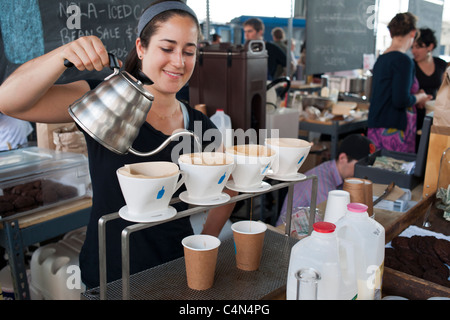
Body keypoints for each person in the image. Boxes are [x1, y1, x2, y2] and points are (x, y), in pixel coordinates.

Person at [0, 0, 236, 289]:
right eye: (167, 48)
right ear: (141, 47)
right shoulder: (106, 102)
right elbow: (9, 102)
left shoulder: (199, 125)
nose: (179, 61)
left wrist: (204, 243)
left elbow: (228, 185)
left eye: (189, 51)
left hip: (175, 270)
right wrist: (61, 55)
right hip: (108, 272)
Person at [276, 134, 376, 227]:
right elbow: (335, 221)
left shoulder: (339, 176)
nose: (363, 170)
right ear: (342, 158)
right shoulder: (321, 181)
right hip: (288, 236)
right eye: (360, 165)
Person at [368, 12, 432, 154]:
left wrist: (414, 97)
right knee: (394, 174)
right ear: (413, 33)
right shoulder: (403, 61)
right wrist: (420, 98)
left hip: (376, 124)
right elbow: (400, 100)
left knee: (375, 172)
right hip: (394, 129)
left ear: (391, 33)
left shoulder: (382, 59)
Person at [411, 28, 447, 135]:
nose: (413, 51)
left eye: (418, 47)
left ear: (430, 47)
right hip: (415, 114)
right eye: (412, 47)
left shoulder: (441, 64)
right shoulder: (410, 66)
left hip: (435, 113)